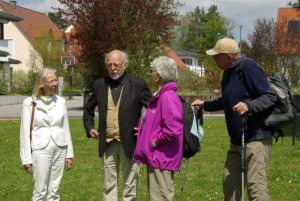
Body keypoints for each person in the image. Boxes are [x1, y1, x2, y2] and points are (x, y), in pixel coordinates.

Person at [192, 38, 277, 201]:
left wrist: (249, 106)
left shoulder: (248, 67)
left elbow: (270, 96)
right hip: (237, 141)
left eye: (217, 56)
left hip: (255, 138)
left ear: (228, 56)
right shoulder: (228, 72)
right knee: (230, 185)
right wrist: (205, 105)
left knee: (256, 189)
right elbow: (227, 100)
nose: (214, 59)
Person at [83, 50, 152, 201]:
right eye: (109, 65)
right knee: (108, 186)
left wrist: (144, 128)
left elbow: (154, 110)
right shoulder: (99, 85)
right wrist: (90, 128)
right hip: (107, 143)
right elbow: (88, 110)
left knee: (130, 185)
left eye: (116, 65)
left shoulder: (138, 85)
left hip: (130, 142)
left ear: (125, 65)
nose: (113, 68)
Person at [133, 56, 183, 201]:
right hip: (157, 157)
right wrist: (144, 133)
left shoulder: (167, 96)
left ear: (158, 76)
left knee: (160, 197)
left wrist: (154, 142)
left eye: (152, 71)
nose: (150, 74)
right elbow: (157, 122)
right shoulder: (161, 95)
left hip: (162, 157)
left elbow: (173, 129)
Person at [20, 68, 74, 200]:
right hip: (40, 149)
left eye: (56, 80)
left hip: (60, 148)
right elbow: (25, 132)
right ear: (42, 84)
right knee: (40, 191)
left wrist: (69, 153)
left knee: (54, 190)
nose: (55, 83)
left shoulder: (61, 101)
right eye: (51, 81)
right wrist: (26, 158)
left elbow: (65, 127)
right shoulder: (30, 103)